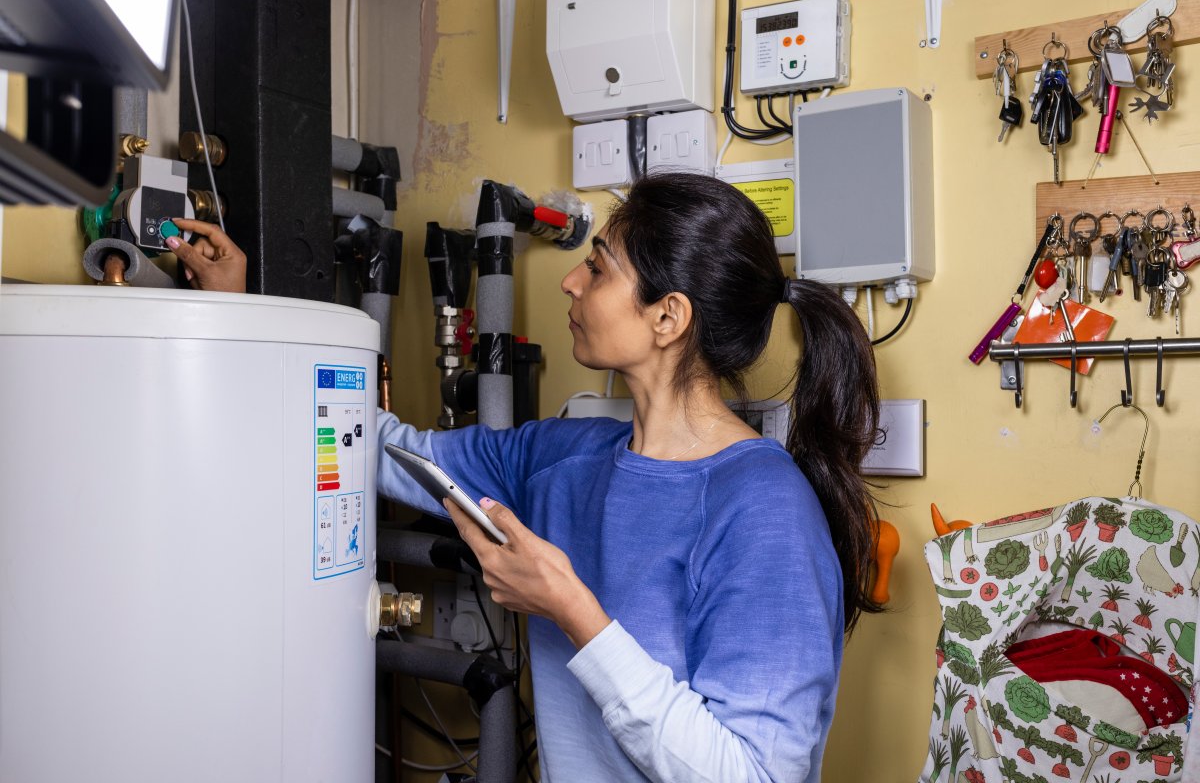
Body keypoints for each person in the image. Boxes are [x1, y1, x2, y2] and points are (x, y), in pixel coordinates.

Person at [169, 172, 882, 782]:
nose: (571, 279)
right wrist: (242, 316)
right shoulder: (562, 458)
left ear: (668, 317)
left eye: (598, 268)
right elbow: (379, 450)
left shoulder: (765, 510)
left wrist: (574, 611)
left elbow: (754, 774)